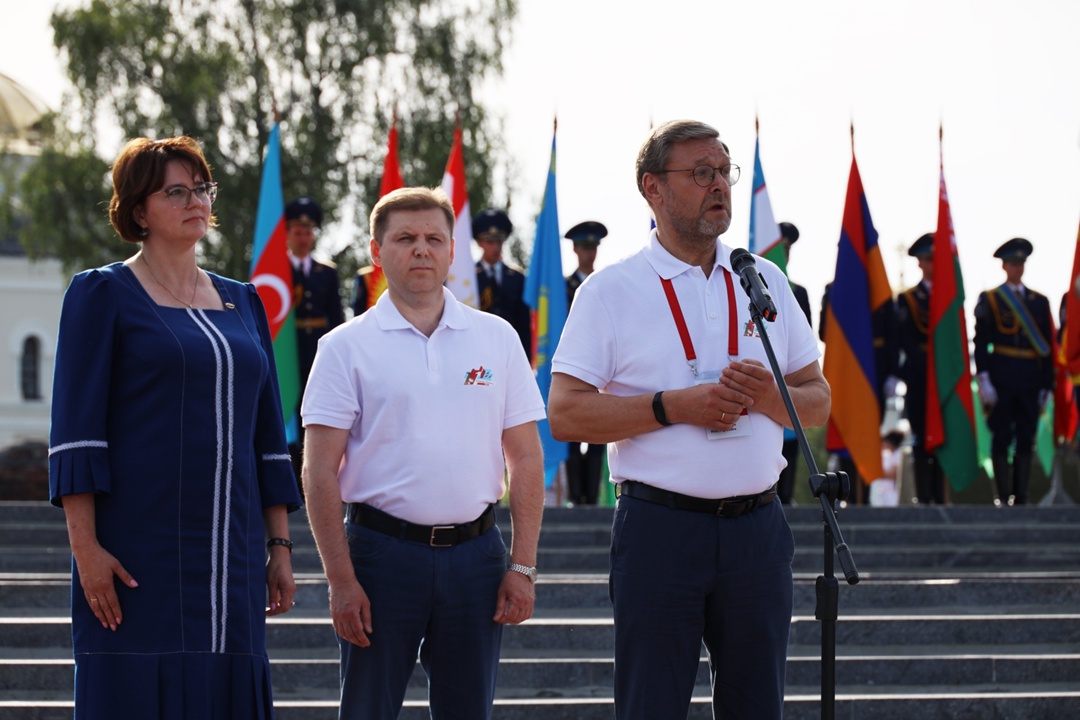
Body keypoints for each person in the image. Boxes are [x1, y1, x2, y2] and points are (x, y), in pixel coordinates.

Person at [548, 120, 830, 720]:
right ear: (652, 188)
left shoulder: (764, 280)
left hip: (758, 529)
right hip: (660, 530)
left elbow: (818, 401)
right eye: (701, 173)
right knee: (652, 706)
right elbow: (566, 413)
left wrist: (764, 397)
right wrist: (669, 407)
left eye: (723, 171)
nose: (719, 185)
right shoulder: (610, 291)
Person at [48, 136, 301, 719]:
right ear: (140, 211)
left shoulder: (244, 302)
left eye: (202, 189)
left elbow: (266, 435)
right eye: (176, 192)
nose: (196, 201)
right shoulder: (101, 294)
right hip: (135, 554)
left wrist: (280, 545)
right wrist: (86, 551)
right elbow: (77, 435)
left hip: (231, 558)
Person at [300, 186, 546, 719]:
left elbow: (526, 458)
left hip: (478, 558)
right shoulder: (343, 347)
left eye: (435, 238)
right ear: (375, 251)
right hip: (380, 558)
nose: (421, 250)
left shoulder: (497, 338)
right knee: (367, 710)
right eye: (405, 238)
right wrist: (341, 581)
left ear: (453, 251)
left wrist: (522, 566)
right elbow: (318, 470)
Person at [974, 237, 1054, 506]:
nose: (1017, 268)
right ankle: (1002, 494)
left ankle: (1021, 496)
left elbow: (1047, 348)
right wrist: (983, 377)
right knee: (1001, 435)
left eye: (1021, 264)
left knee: (1025, 436)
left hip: (1030, 379)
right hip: (1002, 377)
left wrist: (1047, 385)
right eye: (1012, 264)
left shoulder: (1039, 302)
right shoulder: (991, 299)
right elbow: (981, 341)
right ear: (1004, 266)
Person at [285, 196, 345, 482]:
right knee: (286, 409)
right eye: (298, 232)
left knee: (315, 409)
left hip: (317, 348)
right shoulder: (276, 271)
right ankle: (288, 476)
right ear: (288, 234)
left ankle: (313, 472)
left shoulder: (327, 272)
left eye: (308, 232)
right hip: (287, 349)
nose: (304, 238)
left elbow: (335, 315)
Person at [896, 233, 947, 504]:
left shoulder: (948, 296)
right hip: (919, 378)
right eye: (928, 259)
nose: (932, 264)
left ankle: (940, 494)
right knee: (920, 438)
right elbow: (904, 338)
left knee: (943, 439)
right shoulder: (909, 299)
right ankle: (924, 495)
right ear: (919, 263)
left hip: (944, 378)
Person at [564, 220, 609, 505]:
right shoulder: (562, 287)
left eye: (593, 248)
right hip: (570, 367)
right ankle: (575, 497)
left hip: (601, 367)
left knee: (597, 432)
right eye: (584, 248)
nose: (589, 254)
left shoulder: (605, 284)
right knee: (570, 433)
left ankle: (591, 499)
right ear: (575, 250)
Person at [776, 221, 812, 504]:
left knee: (790, 443)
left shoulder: (797, 292)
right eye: (780, 248)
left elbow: (806, 340)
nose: (784, 254)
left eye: (787, 249)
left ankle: (786, 498)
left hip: (787, 380)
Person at [474, 208, 532, 359]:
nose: (495, 247)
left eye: (499, 241)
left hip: (509, 351)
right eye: (489, 242)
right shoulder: (468, 278)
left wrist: (525, 358)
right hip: (477, 350)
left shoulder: (517, 278)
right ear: (480, 243)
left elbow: (524, 324)